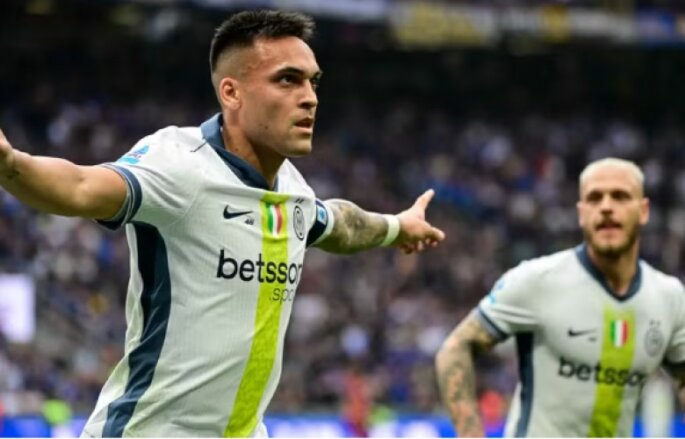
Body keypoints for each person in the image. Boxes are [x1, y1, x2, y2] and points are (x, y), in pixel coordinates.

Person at [0, 10, 445, 437]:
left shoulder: (293, 190)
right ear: (231, 93)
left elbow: (341, 225)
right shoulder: (181, 164)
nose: (310, 96)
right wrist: (11, 163)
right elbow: (80, 186)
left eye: (313, 81)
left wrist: (396, 227)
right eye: (287, 79)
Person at [435, 157, 685, 437]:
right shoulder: (536, 281)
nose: (606, 207)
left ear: (643, 211)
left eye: (620, 196)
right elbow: (456, 348)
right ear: (581, 213)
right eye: (594, 198)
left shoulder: (669, 297)